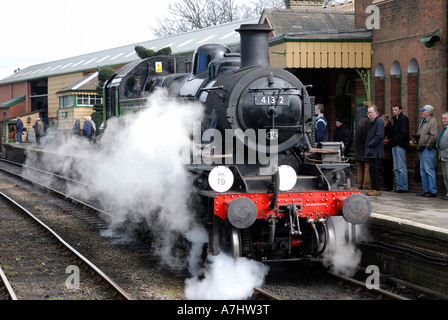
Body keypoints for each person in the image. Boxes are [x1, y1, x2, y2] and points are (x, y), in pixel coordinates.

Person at [416, 105, 439, 197]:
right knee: (423, 170)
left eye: (423, 111)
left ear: (428, 112)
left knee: (429, 170)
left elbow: (434, 135)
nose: (422, 112)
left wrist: (427, 145)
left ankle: (432, 191)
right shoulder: (423, 121)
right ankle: (425, 190)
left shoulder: (433, 121)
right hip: (422, 148)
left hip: (427, 149)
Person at [364, 105, 384, 196]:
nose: (369, 114)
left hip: (375, 151)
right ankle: (374, 188)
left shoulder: (379, 121)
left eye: (371, 112)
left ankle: (376, 189)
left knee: (374, 170)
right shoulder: (373, 121)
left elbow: (379, 136)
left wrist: (370, 144)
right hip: (372, 150)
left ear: (376, 112)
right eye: (368, 112)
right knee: (372, 170)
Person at [390, 104, 410, 193]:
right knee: (397, 167)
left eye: (395, 109)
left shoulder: (403, 119)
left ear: (400, 110)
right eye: (393, 110)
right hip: (395, 145)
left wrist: (398, 143)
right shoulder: (396, 119)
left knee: (401, 167)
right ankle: (399, 186)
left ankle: (404, 187)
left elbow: (404, 132)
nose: (394, 111)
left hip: (400, 145)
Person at [354, 113, 371, 189]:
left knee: (360, 167)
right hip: (365, 148)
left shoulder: (361, 121)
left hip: (359, 149)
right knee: (367, 166)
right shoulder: (368, 122)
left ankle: (359, 183)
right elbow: (368, 136)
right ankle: (366, 184)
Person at [436, 111, 448, 200]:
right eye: (442, 118)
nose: (443, 120)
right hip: (442, 155)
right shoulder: (444, 128)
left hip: (447, 155)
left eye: (445, 118)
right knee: (445, 176)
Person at [381, 115, 394, 191]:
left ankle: (388, 186)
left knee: (388, 169)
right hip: (384, 152)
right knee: (385, 170)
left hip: (387, 152)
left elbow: (388, 140)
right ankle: (386, 185)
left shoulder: (389, 129)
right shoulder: (384, 128)